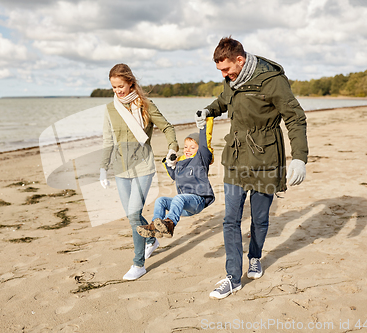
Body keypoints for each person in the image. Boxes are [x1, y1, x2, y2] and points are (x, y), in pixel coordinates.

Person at [194, 37, 308, 299]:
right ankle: (233, 277)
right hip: (234, 156)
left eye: (226, 70)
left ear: (240, 60)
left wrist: (299, 157)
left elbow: (294, 118)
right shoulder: (232, 79)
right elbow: (224, 100)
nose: (224, 75)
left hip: (266, 157)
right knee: (230, 219)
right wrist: (208, 110)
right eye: (221, 71)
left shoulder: (272, 80)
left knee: (260, 218)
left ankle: (255, 256)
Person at [100, 64, 179, 280]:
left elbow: (168, 127)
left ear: (131, 83)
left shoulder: (146, 105)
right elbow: (108, 140)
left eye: (121, 86)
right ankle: (152, 240)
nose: (118, 91)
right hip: (120, 168)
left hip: (143, 167)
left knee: (134, 213)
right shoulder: (110, 109)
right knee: (131, 216)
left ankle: (138, 264)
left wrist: (173, 147)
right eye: (114, 87)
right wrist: (102, 168)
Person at [136, 117, 215, 239]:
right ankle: (154, 227)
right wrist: (170, 164)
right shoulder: (182, 163)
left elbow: (205, 142)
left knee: (178, 198)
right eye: (186, 147)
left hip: (197, 201)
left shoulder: (201, 159)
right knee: (160, 200)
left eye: (192, 147)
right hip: (184, 206)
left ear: (200, 149)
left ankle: (170, 224)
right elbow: (175, 176)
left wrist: (204, 124)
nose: (188, 150)